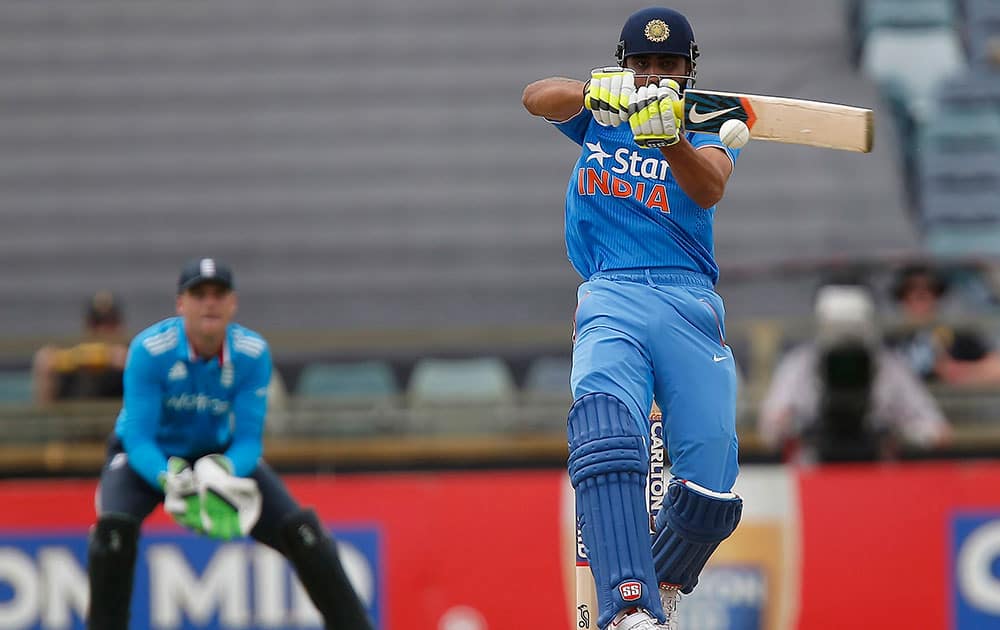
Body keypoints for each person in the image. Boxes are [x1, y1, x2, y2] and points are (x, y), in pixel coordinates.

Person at [523, 7, 743, 629]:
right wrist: (597, 91)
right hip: (610, 292)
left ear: (688, 70)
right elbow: (534, 98)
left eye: (666, 66)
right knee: (606, 434)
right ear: (624, 65)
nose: (652, 75)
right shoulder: (599, 112)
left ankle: (659, 578)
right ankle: (629, 607)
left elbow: (710, 188)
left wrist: (668, 135)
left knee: (711, 492)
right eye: (640, 64)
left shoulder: (713, 118)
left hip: (688, 302)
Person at [86, 258, 372, 630]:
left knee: (306, 536)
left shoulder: (251, 353)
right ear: (180, 304)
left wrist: (223, 470)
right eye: (198, 294)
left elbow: (250, 443)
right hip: (148, 457)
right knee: (112, 536)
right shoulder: (151, 350)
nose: (210, 303)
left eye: (219, 294)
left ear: (232, 303)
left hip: (216, 454)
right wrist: (168, 476)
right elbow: (137, 437)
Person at [758, 283, 951, 463]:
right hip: (814, 470)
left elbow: (937, 429)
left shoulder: (890, 367)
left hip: (876, 469)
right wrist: (792, 426)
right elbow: (769, 430)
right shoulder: (799, 365)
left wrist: (903, 433)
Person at [886, 263, 1000, 387]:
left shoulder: (955, 333)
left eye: (929, 289)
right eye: (911, 289)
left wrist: (960, 371)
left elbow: (996, 368)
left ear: (937, 295)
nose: (920, 294)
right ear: (901, 297)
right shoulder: (890, 338)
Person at [32, 290, 128, 404]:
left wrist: (132, 366)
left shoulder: (132, 358)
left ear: (120, 326)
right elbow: (45, 408)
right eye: (97, 323)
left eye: (110, 323)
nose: (103, 330)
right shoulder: (70, 365)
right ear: (87, 326)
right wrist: (46, 375)